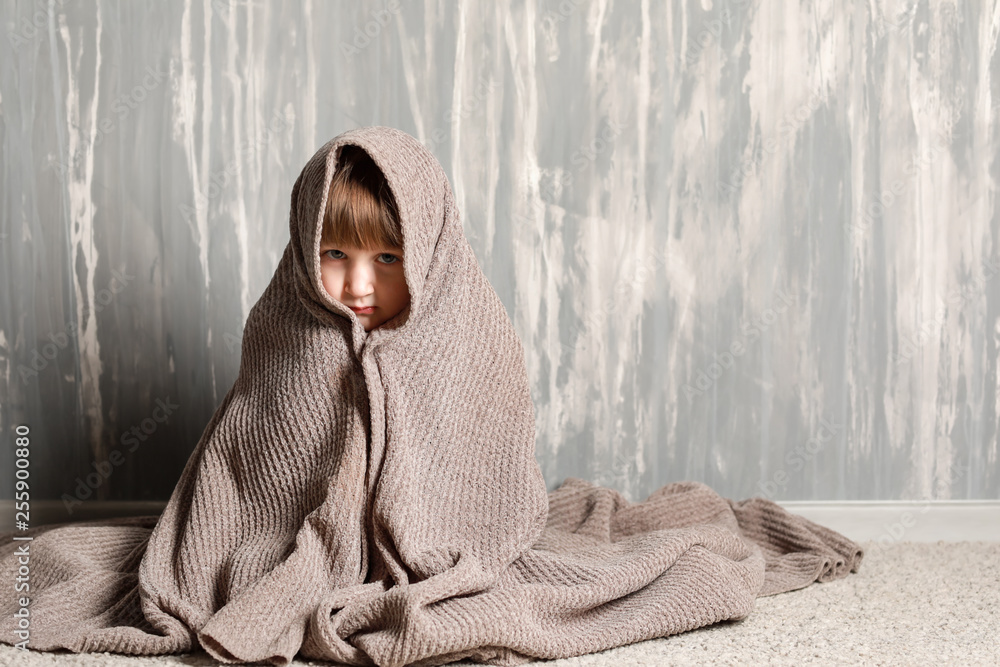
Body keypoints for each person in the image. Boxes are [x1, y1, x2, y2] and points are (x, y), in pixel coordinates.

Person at [1, 126, 862, 666]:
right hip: (293, 536)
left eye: (386, 258)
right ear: (305, 249)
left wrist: (433, 539)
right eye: (335, 254)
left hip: (441, 537)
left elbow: (487, 464)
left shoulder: (466, 330)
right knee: (89, 565)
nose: (358, 283)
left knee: (583, 574)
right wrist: (274, 554)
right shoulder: (286, 328)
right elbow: (247, 468)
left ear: (428, 251)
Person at [318, 145, 411, 333]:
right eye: (336, 254)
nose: (359, 289)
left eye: (387, 257)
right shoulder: (269, 340)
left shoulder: (474, 344)